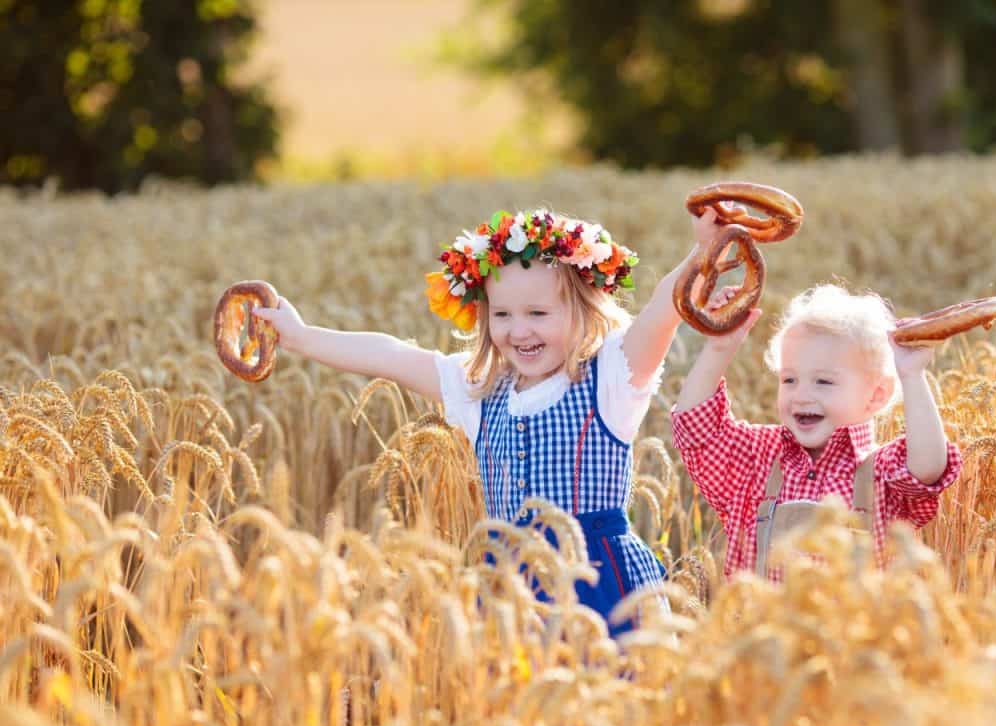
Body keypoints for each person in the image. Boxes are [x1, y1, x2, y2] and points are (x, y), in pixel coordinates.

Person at [255, 207, 721, 634]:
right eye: (502, 314)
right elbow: (392, 356)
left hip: (599, 587)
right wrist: (303, 338)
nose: (519, 331)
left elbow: (665, 309)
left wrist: (704, 251)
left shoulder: (610, 380)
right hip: (508, 592)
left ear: (583, 309)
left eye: (538, 313)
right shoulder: (480, 389)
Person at [670, 283, 962, 579]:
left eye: (823, 382)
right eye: (789, 380)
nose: (801, 395)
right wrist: (719, 347)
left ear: (875, 395)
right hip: (757, 625)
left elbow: (927, 468)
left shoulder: (880, 473)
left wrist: (912, 374)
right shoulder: (757, 458)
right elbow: (696, 430)